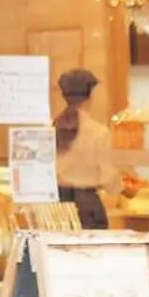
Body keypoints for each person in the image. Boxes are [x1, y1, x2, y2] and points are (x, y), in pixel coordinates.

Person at [55, 68, 113, 230]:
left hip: (56, 206)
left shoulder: (50, 128)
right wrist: (125, 189)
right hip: (87, 207)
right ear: (91, 95)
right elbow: (108, 177)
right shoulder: (98, 132)